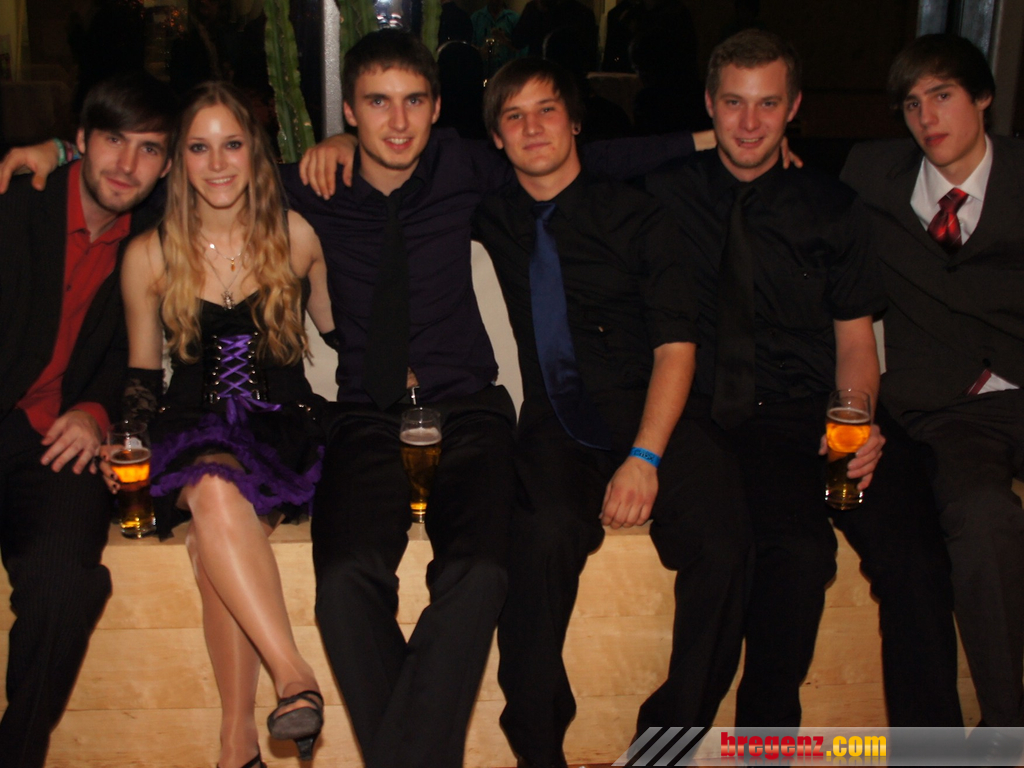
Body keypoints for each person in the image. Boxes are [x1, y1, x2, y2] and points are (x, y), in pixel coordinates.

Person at [281, 28, 719, 768]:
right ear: (349, 111)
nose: (397, 121)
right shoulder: (314, 183)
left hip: (468, 409)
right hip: (366, 414)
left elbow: (592, 157)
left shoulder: (461, 166)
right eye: (377, 103)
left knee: (482, 572)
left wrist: (721, 139)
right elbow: (204, 182)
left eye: (413, 101)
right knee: (344, 581)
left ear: (437, 107)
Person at [646, 29, 962, 728]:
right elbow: (560, 165)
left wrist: (859, 419)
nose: (749, 123)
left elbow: (856, 342)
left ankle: (932, 750)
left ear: (793, 108)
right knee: (796, 555)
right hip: (737, 422)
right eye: (734, 102)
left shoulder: (833, 206)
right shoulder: (664, 196)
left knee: (915, 557)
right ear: (710, 104)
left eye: (768, 104)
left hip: (829, 410)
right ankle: (765, 743)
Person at [473, 58, 752, 768]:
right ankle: (538, 745)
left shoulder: (639, 215)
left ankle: (666, 744)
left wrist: (646, 456)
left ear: (574, 122)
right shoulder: (490, 214)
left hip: (651, 407)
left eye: (547, 110)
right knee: (540, 535)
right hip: (554, 419)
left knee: (725, 541)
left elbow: (676, 347)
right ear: (497, 138)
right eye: (513, 116)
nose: (533, 128)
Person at [110, 81, 331, 768]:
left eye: (231, 144)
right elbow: (143, 377)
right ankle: (293, 675)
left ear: (255, 152)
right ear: (178, 160)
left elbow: (348, 336)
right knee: (210, 484)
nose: (217, 164)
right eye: (199, 148)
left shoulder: (297, 237)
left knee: (213, 540)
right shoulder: (149, 254)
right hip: (192, 424)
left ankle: (237, 747)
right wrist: (126, 451)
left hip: (282, 426)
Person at [841, 35, 1024, 729]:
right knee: (981, 518)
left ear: (983, 97)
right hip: (949, 410)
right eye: (913, 104)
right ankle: (1006, 728)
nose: (927, 118)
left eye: (942, 96)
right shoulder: (870, 176)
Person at [0, 71, 175, 768]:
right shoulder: (17, 202)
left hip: (58, 442)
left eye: (149, 149)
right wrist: (45, 150)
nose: (127, 164)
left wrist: (96, 412)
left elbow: (241, 174)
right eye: (112, 141)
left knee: (64, 583)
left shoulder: (155, 237)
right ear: (80, 140)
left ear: (166, 164)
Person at [472, 0, 520, 76]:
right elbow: (470, 47)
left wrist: (505, 40)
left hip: (507, 74)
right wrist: (480, 52)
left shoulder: (513, 19)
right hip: (481, 72)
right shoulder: (476, 18)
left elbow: (521, 50)